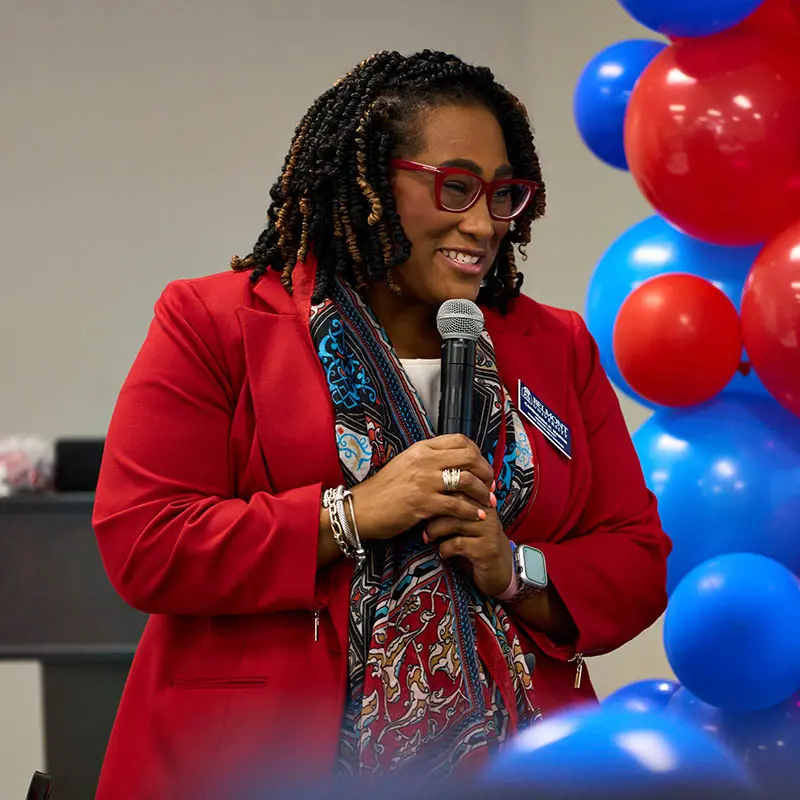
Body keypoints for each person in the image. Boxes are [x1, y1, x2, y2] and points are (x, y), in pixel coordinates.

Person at [92, 49, 671, 799]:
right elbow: (146, 540)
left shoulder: (554, 344)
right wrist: (351, 514)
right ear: (367, 184)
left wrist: (517, 570)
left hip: (519, 768)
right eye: (454, 187)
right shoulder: (216, 323)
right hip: (258, 768)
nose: (482, 222)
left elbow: (635, 556)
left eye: (503, 194)